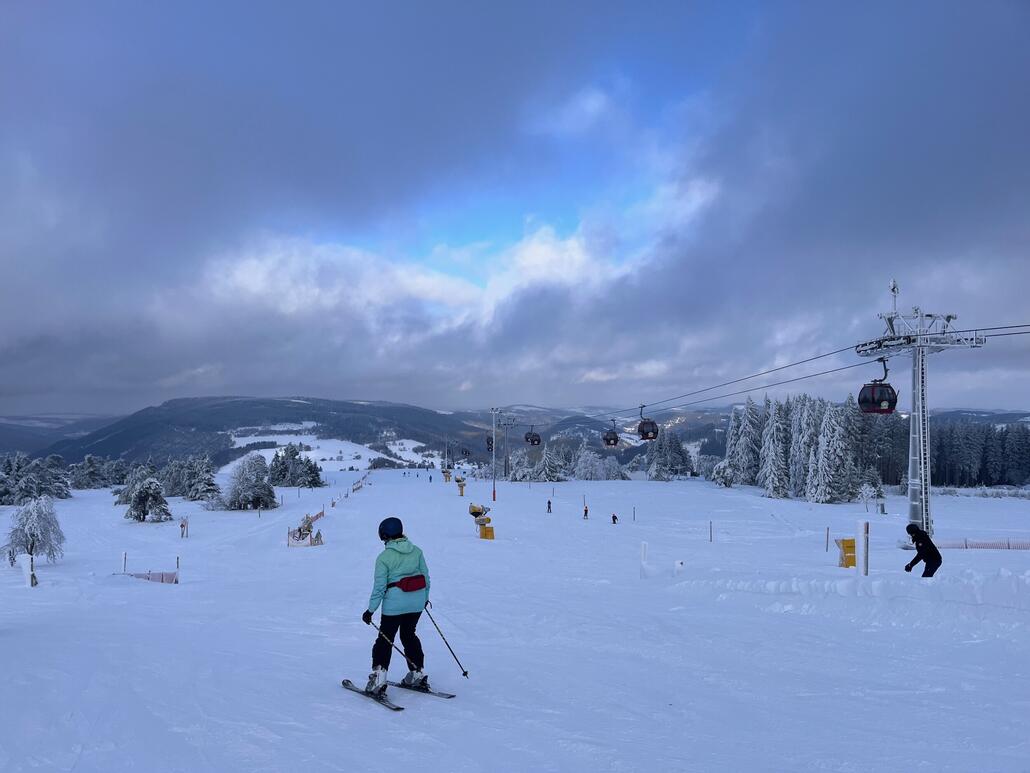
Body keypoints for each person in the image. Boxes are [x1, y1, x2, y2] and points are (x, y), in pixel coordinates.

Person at [362, 517, 431, 696]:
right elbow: (426, 578)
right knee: (409, 636)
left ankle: (378, 679)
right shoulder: (417, 551)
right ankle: (417, 674)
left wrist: (370, 610)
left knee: (385, 639)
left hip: (394, 606)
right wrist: (424, 599)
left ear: (385, 534)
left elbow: (379, 588)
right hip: (416, 604)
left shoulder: (384, 557)